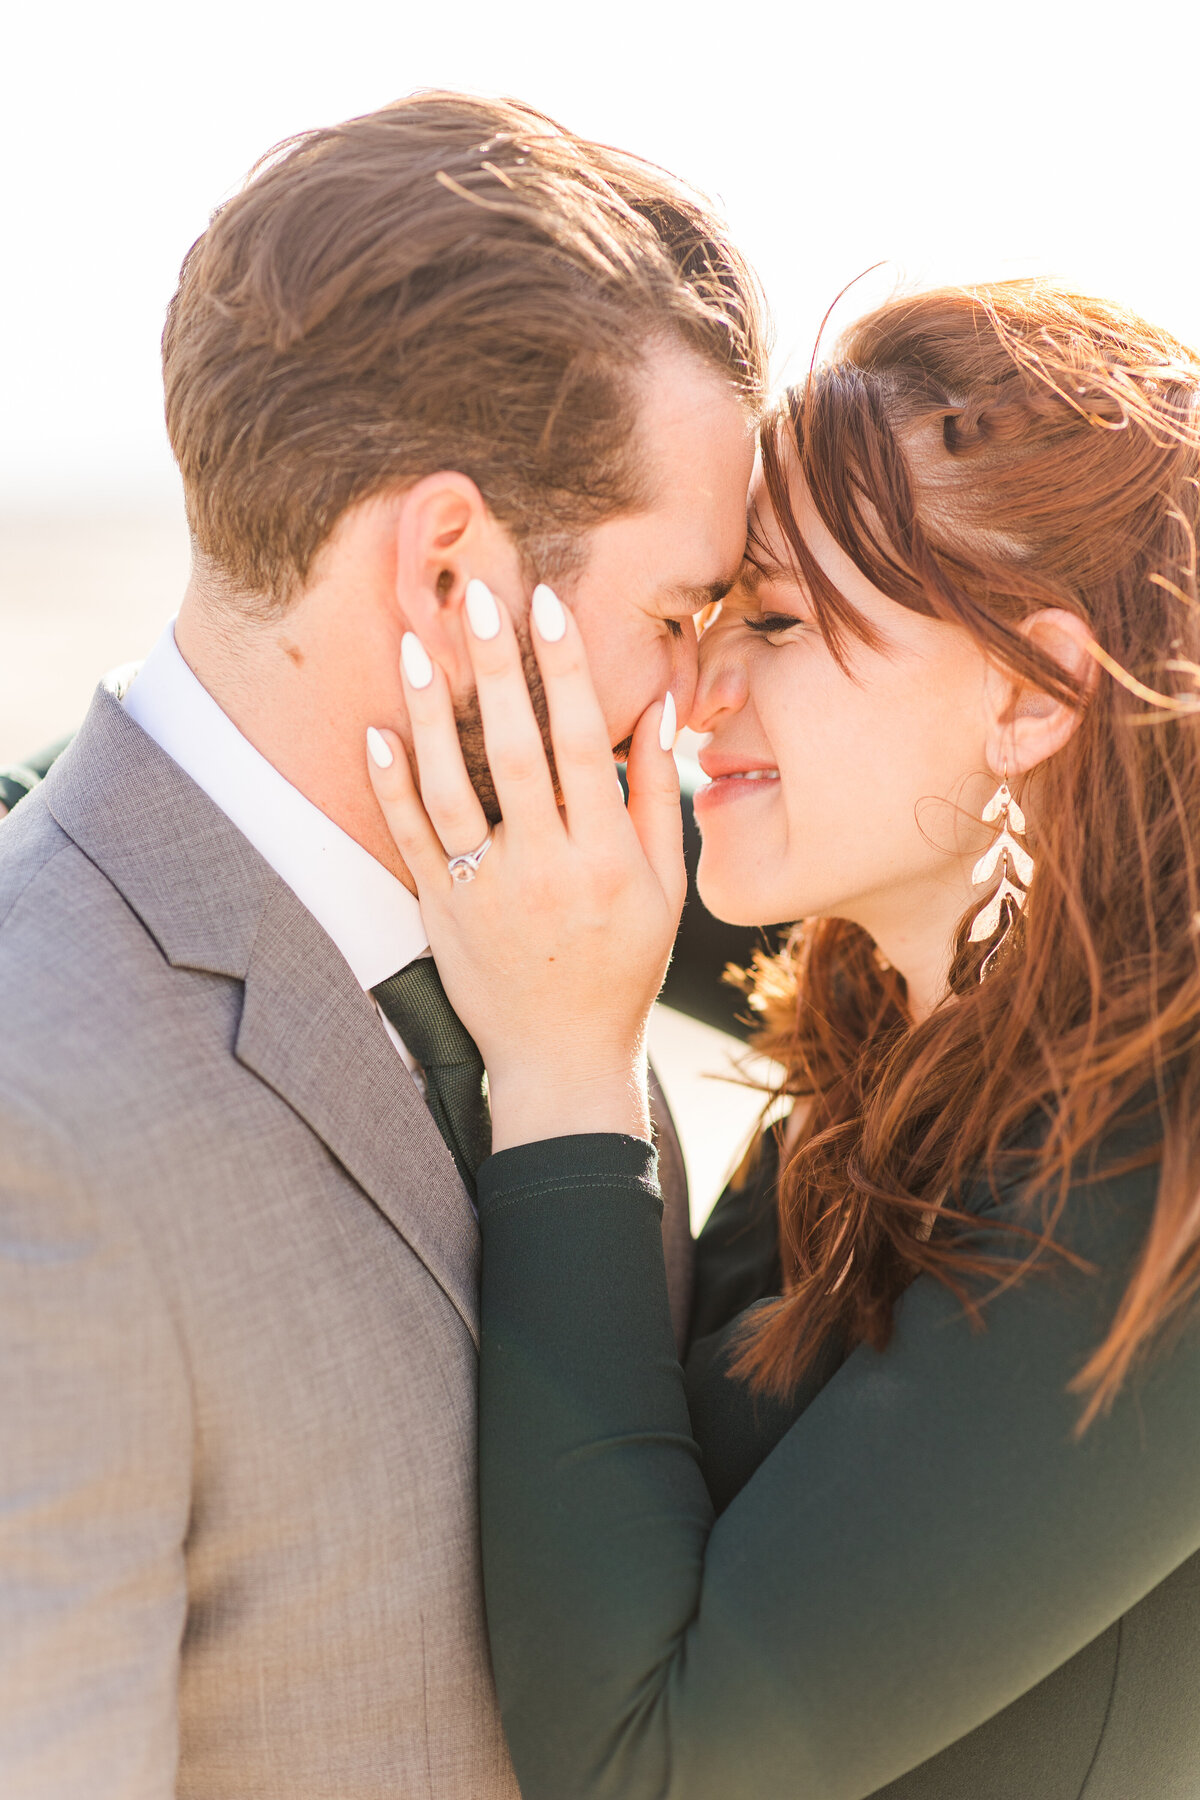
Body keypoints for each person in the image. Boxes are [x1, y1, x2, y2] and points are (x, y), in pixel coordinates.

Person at [0, 93, 766, 1796]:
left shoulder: (551, 963)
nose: (706, 708)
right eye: (676, 616)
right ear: (447, 572)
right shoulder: (30, 1115)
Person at [369, 281, 1200, 1798]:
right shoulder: (890, 1007)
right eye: (704, 614)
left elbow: (652, 1763)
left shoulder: (1162, 1173)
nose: (699, 686)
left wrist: (563, 1083)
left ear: (1038, 693)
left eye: (777, 621)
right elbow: (431, 810)